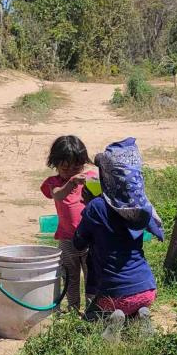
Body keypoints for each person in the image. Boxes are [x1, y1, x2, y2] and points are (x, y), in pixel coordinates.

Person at [73, 137, 163, 341]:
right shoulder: (140, 207)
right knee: (133, 304)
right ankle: (140, 314)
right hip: (147, 289)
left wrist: (88, 206)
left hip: (114, 294)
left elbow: (78, 242)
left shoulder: (96, 207)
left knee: (89, 319)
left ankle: (111, 321)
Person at [40, 135, 97, 311]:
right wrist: (71, 183)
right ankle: (73, 309)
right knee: (70, 277)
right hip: (67, 240)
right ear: (55, 164)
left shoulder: (90, 178)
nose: (71, 171)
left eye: (76, 167)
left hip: (91, 239)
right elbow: (57, 195)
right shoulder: (54, 183)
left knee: (92, 276)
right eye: (65, 168)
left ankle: (92, 310)